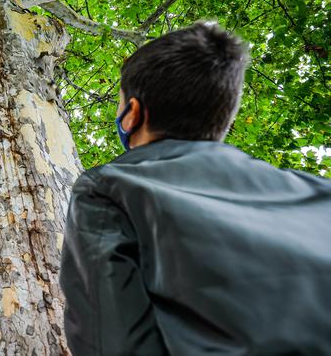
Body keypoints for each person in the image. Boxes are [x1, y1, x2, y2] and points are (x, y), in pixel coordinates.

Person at [60, 22, 331, 355]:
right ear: (223, 120)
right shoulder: (318, 191)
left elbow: (112, 341)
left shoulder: (109, 187)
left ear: (132, 114)